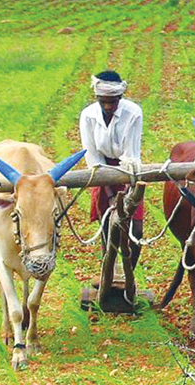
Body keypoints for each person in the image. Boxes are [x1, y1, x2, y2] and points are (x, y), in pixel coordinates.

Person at [79, 70, 143, 269]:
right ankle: (109, 271)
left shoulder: (133, 113)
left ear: (120, 97)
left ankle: (128, 274)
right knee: (108, 225)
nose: (108, 106)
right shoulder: (88, 116)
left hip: (128, 170)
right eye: (103, 101)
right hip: (101, 172)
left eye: (113, 101)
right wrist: (109, 195)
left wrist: (127, 194)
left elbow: (130, 154)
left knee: (136, 229)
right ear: (97, 98)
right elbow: (93, 157)